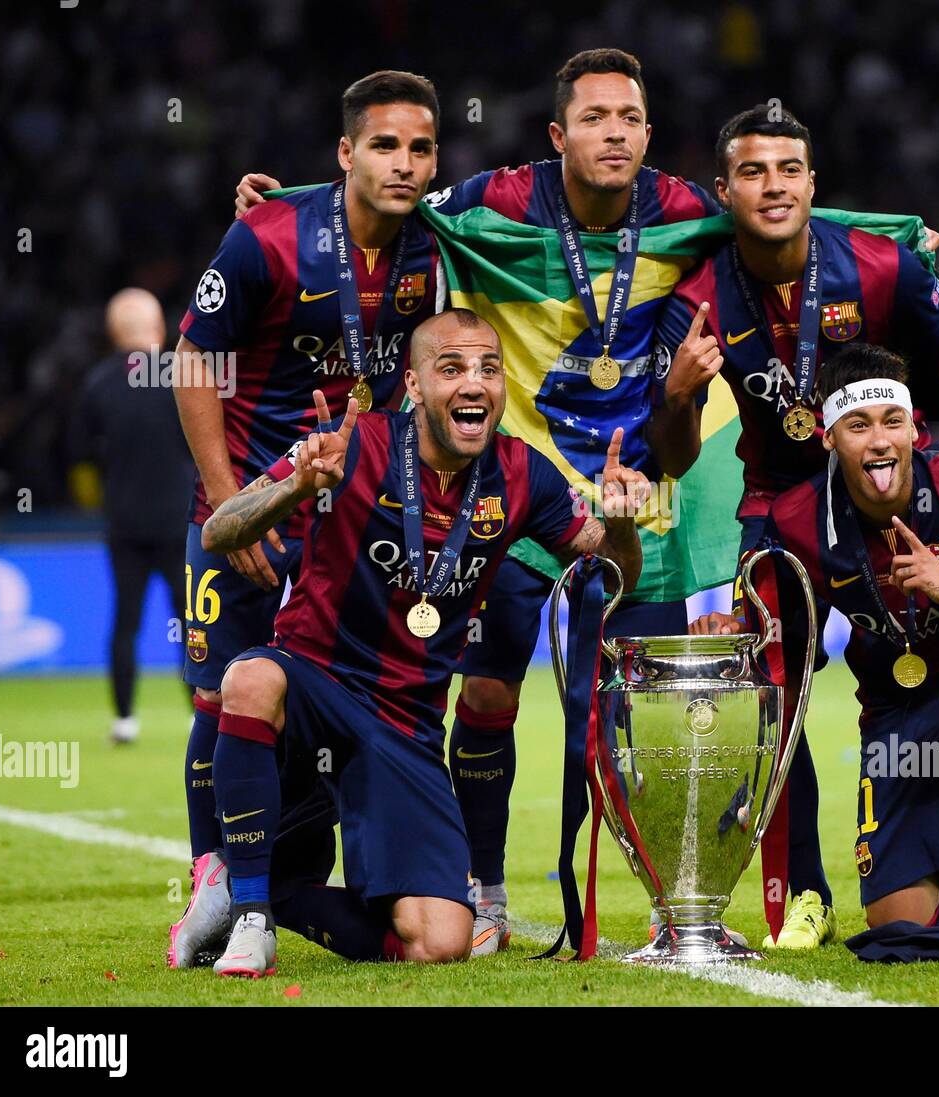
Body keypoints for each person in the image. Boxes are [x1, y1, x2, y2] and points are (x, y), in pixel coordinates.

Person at [234, 48, 720, 953]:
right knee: (490, 692)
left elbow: (785, 214)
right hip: (512, 481)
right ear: (558, 134)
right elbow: (392, 188)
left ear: (648, 133)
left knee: (641, 704)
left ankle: (675, 899)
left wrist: (888, 237)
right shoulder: (499, 198)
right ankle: (484, 886)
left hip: (630, 493)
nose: (613, 132)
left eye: (629, 118)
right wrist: (295, 207)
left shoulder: (686, 207)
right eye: (593, 117)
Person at [197, 309, 646, 974]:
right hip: (315, 682)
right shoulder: (351, 444)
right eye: (453, 368)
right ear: (412, 385)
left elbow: (612, 574)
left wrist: (620, 523)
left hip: (405, 725)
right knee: (249, 677)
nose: (475, 384)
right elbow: (219, 532)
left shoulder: (524, 475)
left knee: (440, 941)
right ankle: (252, 917)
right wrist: (295, 487)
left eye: (488, 369)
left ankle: (276, 894)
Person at [652, 104, 939, 948]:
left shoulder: (875, 266)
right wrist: (679, 390)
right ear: (724, 189)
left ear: (812, 182)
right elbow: (675, 452)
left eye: (790, 169)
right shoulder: (695, 298)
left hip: (888, 498)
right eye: (755, 172)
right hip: (779, 506)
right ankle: (806, 890)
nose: (775, 186)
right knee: (776, 694)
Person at [167, 70, 447, 969]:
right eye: (384, 145)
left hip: (354, 518)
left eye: (421, 147)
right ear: (344, 152)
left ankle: (290, 879)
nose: (403, 164)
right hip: (247, 504)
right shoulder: (267, 238)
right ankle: (216, 876)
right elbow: (191, 361)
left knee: (328, 691)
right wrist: (227, 505)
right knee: (218, 693)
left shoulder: (436, 242)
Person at [705, 342, 939, 935]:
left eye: (892, 422)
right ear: (828, 438)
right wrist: (733, 630)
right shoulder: (798, 519)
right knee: (897, 928)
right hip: (901, 708)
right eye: (857, 425)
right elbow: (780, 649)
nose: (879, 440)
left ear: (915, 430)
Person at [68, 288, 193, 744]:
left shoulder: (97, 383)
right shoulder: (180, 375)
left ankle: (124, 719)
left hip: (124, 524)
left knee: (125, 622)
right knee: (192, 621)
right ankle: (200, 714)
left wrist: (99, 498)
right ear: (158, 327)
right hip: (181, 523)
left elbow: (79, 458)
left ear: (112, 332)